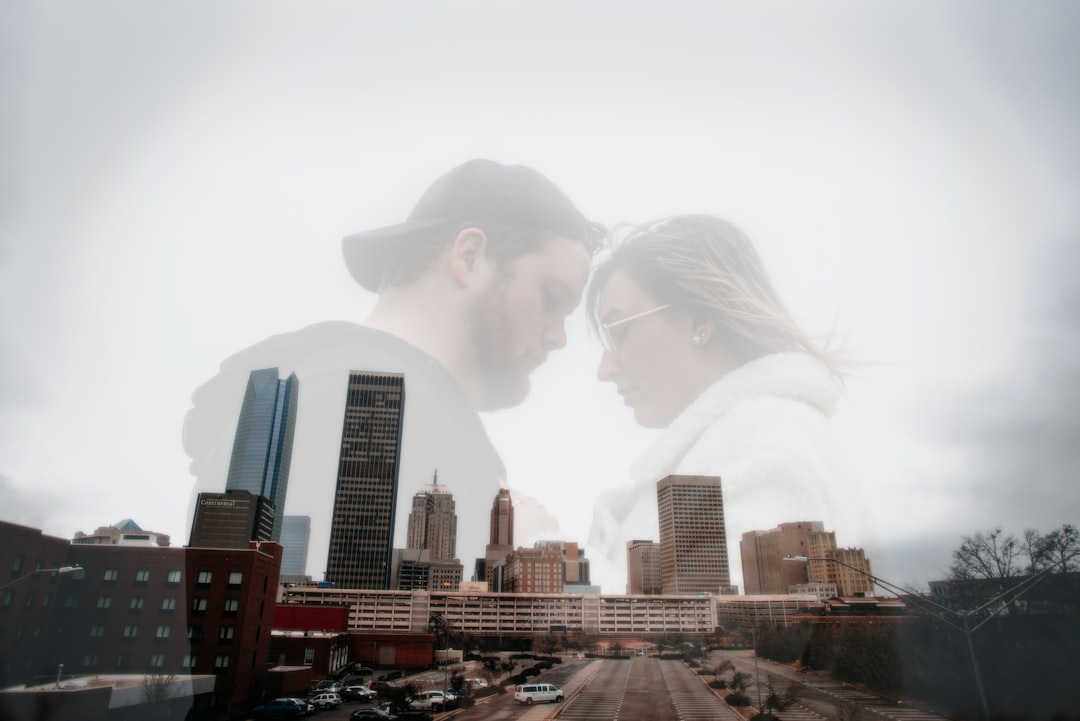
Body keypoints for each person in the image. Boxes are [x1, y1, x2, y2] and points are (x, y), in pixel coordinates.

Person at [183, 159, 603, 578]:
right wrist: (517, 561)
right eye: (552, 297)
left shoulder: (341, 388)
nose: (558, 338)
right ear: (471, 256)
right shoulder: (355, 402)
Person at [585, 214, 861, 592]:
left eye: (619, 331)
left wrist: (555, 561)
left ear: (699, 319)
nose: (605, 368)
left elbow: (722, 630)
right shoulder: (741, 443)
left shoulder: (768, 445)